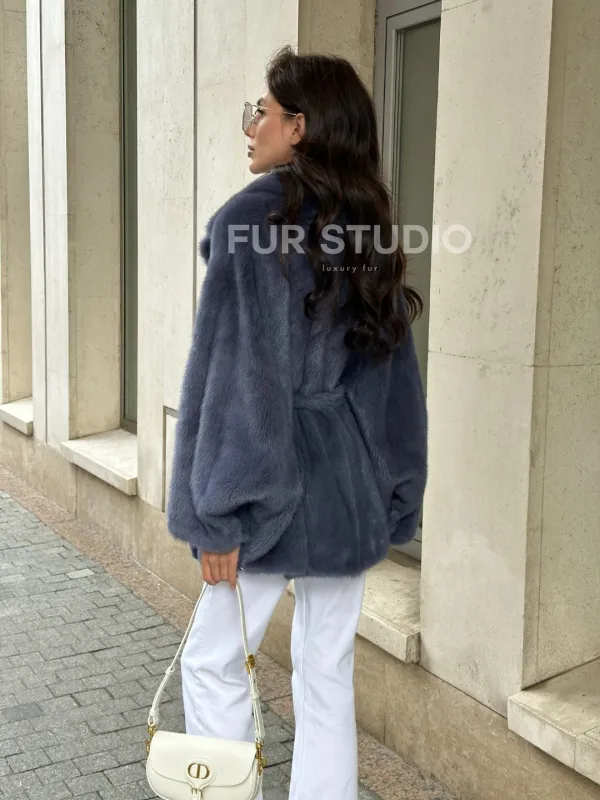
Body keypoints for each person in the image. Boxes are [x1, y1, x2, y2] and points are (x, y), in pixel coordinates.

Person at [167, 45, 427, 800]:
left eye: (263, 112)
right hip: (344, 488)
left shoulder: (250, 225)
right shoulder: (367, 228)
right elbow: (393, 387)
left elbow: (237, 383)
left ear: (300, 127)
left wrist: (219, 514)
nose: (250, 126)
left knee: (212, 662)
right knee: (326, 671)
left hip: (266, 492)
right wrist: (398, 491)